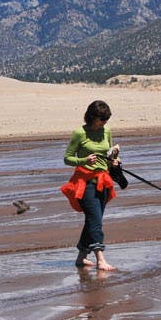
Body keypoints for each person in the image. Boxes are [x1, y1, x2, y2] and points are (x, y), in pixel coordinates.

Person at [61, 100, 121, 271]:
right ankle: (100, 259)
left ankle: (81, 257)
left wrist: (114, 161)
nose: (104, 123)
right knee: (95, 220)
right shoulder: (80, 133)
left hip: (104, 181)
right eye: (101, 119)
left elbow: (108, 155)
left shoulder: (106, 131)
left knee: (94, 220)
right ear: (92, 117)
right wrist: (83, 160)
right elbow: (67, 158)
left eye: (106, 119)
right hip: (85, 183)